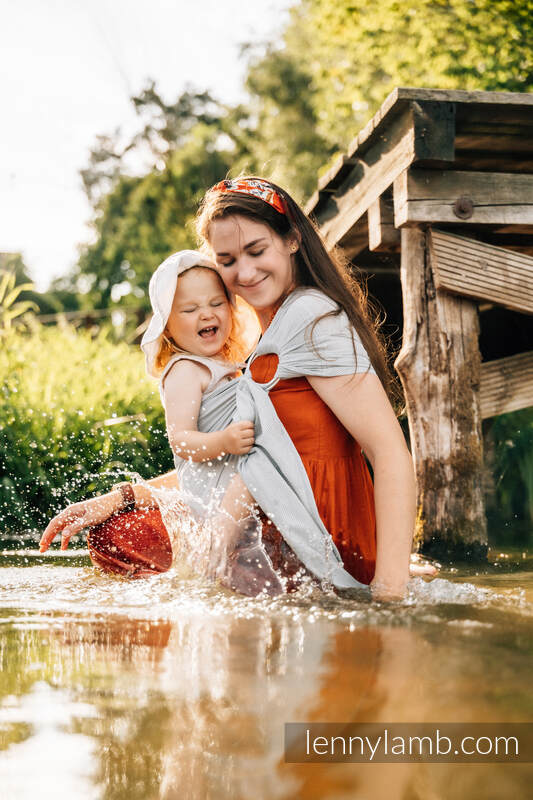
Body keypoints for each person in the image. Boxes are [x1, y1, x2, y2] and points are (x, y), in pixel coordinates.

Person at [40, 177, 434, 601]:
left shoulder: (311, 316)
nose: (244, 272)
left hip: (318, 534)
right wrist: (123, 496)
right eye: (227, 259)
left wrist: (391, 592)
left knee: (120, 539)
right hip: (270, 522)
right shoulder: (255, 342)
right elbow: (234, 463)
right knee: (116, 531)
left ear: (292, 240)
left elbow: (390, 452)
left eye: (257, 251)